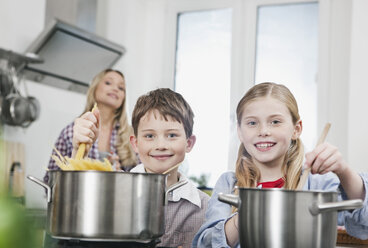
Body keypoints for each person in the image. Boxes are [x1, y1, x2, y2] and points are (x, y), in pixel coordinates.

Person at [192, 82, 368, 247]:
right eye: (252, 123)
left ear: (296, 129)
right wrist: (248, 213)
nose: (263, 131)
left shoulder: (317, 182)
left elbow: (364, 222)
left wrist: (344, 171)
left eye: (275, 122)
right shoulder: (229, 183)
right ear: (239, 131)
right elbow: (204, 244)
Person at [72, 88, 209, 248]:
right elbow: (77, 211)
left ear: (189, 143)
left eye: (171, 135)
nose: (161, 145)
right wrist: (79, 150)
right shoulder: (113, 191)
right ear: (135, 144)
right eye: (149, 136)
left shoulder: (205, 207)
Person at [44, 69, 138, 182]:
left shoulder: (132, 135)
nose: (115, 89)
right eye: (108, 83)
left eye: (121, 88)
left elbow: (142, 177)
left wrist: (122, 176)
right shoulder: (70, 132)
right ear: (94, 88)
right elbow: (50, 182)